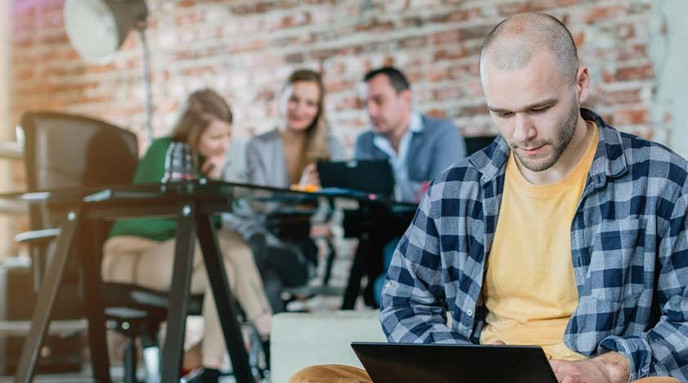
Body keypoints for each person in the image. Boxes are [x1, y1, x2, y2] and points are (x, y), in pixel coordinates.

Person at [291, 13, 687, 383]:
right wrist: (462, 361)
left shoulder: (660, 178)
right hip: (478, 376)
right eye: (503, 113)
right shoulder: (456, 187)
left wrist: (612, 366)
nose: (521, 133)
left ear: (580, 83)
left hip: (596, 379)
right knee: (314, 378)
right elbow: (404, 299)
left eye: (540, 108)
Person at [102, 89, 272, 383]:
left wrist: (213, 179)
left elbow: (208, 226)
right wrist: (210, 182)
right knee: (227, 243)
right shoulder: (165, 150)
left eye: (228, 136)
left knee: (226, 271)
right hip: (132, 256)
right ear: (194, 134)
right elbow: (178, 217)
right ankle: (268, 334)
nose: (224, 145)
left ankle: (210, 369)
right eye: (216, 138)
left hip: (176, 255)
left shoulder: (204, 165)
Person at [355, 66, 466, 306]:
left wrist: (390, 185)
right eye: (366, 103)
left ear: (405, 98)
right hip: (384, 233)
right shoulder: (365, 142)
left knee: (388, 277)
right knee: (380, 270)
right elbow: (366, 198)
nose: (371, 111)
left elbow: (443, 196)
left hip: (431, 236)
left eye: (379, 101)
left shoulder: (441, 133)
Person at [237, 68, 346, 312]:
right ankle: (269, 349)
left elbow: (335, 209)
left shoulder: (330, 149)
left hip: (302, 251)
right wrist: (301, 191)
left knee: (252, 256)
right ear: (282, 100)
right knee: (270, 285)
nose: (300, 109)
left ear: (319, 109)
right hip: (267, 241)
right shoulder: (259, 146)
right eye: (294, 100)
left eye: (310, 103)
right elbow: (259, 206)